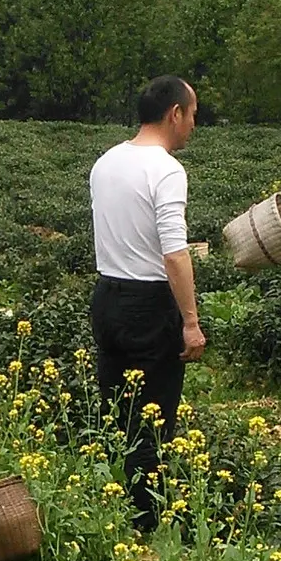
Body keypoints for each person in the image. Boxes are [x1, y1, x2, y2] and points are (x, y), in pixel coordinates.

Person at [87, 75, 206, 529]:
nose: (193, 125)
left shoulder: (106, 162)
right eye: (192, 115)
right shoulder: (166, 170)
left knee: (116, 406)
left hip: (108, 296)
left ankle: (110, 502)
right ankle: (144, 519)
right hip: (150, 303)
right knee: (153, 414)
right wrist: (190, 321)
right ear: (175, 113)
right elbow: (174, 253)